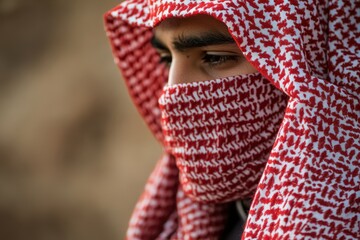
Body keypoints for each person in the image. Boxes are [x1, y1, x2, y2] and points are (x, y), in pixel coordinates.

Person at [104, 0, 360, 239]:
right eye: (166, 59)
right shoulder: (180, 216)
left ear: (313, 61)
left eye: (216, 57)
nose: (172, 91)